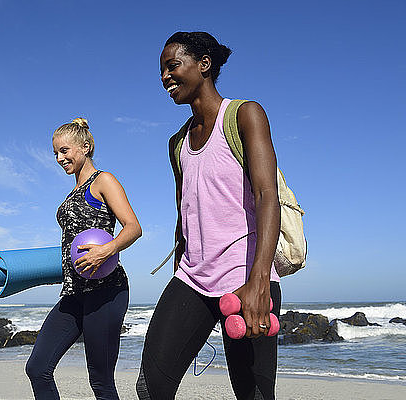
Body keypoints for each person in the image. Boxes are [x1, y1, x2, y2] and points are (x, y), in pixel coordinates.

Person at [136, 32, 282, 400]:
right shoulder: (177, 142)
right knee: (151, 387)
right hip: (193, 278)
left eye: (173, 66)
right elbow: (184, 215)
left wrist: (259, 280)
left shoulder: (245, 114)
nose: (165, 77)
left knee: (253, 393)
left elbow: (268, 196)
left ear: (204, 65)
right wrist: (176, 283)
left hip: (244, 274)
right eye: (162, 71)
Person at [25, 118, 142, 400]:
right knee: (37, 367)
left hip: (107, 291)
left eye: (64, 150)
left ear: (85, 147)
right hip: (74, 293)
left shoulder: (103, 180)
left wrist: (108, 249)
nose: (59, 158)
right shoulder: (72, 192)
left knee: (100, 381)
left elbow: (133, 227)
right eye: (55, 153)